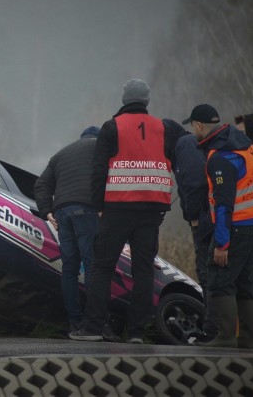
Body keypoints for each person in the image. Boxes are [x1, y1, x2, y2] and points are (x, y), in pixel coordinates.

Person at [70, 79, 174, 343]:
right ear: (146, 100)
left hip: (117, 207)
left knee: (102, 266)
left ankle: (93, 328)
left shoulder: (111, 127)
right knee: (143, 271)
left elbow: (99, 170)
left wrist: (99, 207)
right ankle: (137, 333)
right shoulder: (163, 128)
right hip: (152, 210)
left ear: (125, 99)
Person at [186, 104, 253, 348]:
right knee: (244, 279)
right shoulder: (242, 142)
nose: (193, 131)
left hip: (238, 225)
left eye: (193, 126)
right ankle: (246, 338)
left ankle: (224, 337)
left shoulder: (220, 156)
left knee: (220, 278)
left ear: (200, 126)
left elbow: (223, 204)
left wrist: (221, 244)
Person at [33, 126, 100, 338]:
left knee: (70, 269)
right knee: (92, 265)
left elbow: (41, 184)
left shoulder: (60, 154)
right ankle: (94, 323)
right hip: (87, 209)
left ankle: (74, 322)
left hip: (62, 212)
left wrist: (47, 212)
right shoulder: (100, 147)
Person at [165, 118, 217, 342]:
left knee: (208, 273)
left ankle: (213, 330)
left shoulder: (184, 144)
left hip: (205, 219)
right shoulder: (183, 145)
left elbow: (196, 183)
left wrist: (193, 216)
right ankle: (217, 328)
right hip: (209, 216)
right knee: (208, 273)